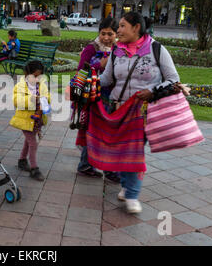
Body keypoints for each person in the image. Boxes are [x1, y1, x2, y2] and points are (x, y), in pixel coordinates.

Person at [98, 11, 180, 213]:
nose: (118, 30)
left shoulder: (156, 49)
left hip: (142, 112)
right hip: (117, 109)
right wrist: (85, 81)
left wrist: (151, 91)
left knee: (133, 151)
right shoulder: (116, 50)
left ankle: (132, 194)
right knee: (120, 150)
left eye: (123, 26)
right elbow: (107, 79)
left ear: (136, 28)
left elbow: (173, 79)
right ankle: (127, 187)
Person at [75, 17, 121, 183]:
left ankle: (86, 165)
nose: (106, 38)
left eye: (110, 34)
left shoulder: (119, 49)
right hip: (94, 98)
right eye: (103, 33)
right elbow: (80, 72)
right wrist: (99, 65)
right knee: (101, 133)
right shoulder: (91, 49)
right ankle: (107, 169)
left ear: (116, 34)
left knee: (99, 133)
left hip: (114, 98)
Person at [10, 61, 51, 181]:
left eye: (40, 76)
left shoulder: (41, 85)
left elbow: (48, 97)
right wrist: (32, 99)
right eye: (35, 76)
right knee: (33, 143)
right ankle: (34, 168)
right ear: (27, 74)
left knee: (29, 141)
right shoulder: (20, 86)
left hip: (37, 120)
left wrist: (45, 99)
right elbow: (17, 101)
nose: (37, 78)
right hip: (25, 120)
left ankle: (22, 160)